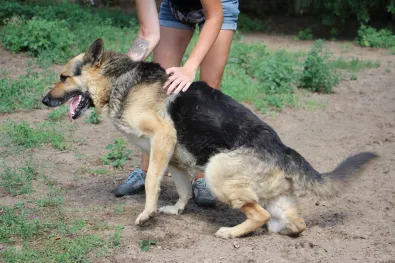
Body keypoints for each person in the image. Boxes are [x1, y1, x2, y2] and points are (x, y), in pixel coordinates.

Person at [112, 0, 240, 208]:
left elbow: (215, 16)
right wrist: (121, 73)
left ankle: (202, 177)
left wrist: (189, 67)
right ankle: (146, 172)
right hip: (176, 8)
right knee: (159, 88)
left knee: (207, 91)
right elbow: (147, 35)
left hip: (218, 8)